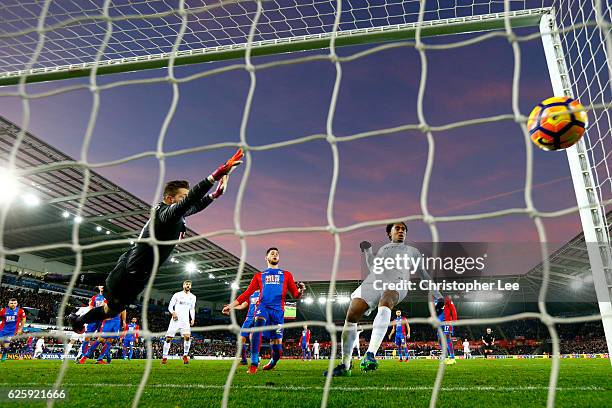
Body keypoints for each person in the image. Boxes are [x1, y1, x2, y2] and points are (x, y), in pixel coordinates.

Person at [67, 149, 243, 332]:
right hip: (131, 272)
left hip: (137, 271)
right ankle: (73, 302)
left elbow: (194, 205)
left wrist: (216, 194)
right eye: (181, 197)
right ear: (169, 198)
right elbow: (191, 200)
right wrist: (216, 174)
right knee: (111, 303)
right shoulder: (166, 213)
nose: (185, 201)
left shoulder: (176, 216)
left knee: (112, 310)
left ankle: (77, 319)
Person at [325, 222, 442, 377]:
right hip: (375, 280)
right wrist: (368, 251)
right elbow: (373, 267)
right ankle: (345, 365)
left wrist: (438, 295)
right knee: (352, 313)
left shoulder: (412, 251)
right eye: (397, 229)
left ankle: (370, 354)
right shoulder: (383, 249)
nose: (401, 231)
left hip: (398, 282)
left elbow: (423, 273)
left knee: (386, 300)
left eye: (404, 229)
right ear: (389, 233)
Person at [223, 247, 305, 374]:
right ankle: (254, 363)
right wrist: (230, 306)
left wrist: (301, 291)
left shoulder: (286, 275)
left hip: (278, 312)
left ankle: (273, 362)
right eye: (272, 253)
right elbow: (246, 293)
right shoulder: (259, 276)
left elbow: (295, 295)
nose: (275, 255)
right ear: (266, 258)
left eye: (277, 254)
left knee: (277, 348)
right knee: (258, 323)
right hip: (263, 307)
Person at [162, 280, 196, 364]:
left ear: (190, 286)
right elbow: (170, 306)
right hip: (175, 320)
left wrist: (192, 318)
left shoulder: (193, 297)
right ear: (183, 285)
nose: (188, 285)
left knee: (187, 337)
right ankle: (164, 357)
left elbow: (192, 309)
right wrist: (173, 313)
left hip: (185, 320)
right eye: (186, 284)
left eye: (189, 284)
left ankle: (185, 356)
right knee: (168, 338)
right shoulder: (177, 295)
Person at [222, 290, 260, 365]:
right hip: (249, 318)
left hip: (259, 317)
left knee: (253, 339)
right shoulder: (251, 294)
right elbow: (243, 305)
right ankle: (244, 360)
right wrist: (231, 307)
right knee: (240, 339)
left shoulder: (264, 292)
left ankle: (256, 359)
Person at [436, 297, 457, 365]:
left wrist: (454, 321)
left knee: (447, 337)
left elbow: (453, 310)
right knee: (439, 340)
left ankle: (452, 358)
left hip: (447, 321)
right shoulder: (436, 300)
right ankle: (445, 356)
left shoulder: (448, 299)